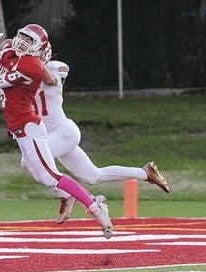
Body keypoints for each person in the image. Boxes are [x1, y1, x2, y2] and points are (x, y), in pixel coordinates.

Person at [0, 23, 113, 239]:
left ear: (39, 48)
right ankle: (84, 200)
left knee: (51, 176)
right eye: (22, 36)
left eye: (30, 40)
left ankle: (95, 207)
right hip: (21, 129)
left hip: (29, 127)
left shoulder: (31, 65)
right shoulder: (9, 51)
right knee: (44, 175)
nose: (22, 41)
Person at [30, 55, 170, 223]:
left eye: (29, 42)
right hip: (50, 136)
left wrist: (34, 61)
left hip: (62, 132)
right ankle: (145, 173)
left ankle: (68, 195)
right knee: (93, 176)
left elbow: (51, 80)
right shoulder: (23, 69)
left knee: (29, 161)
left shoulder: (54, 67)